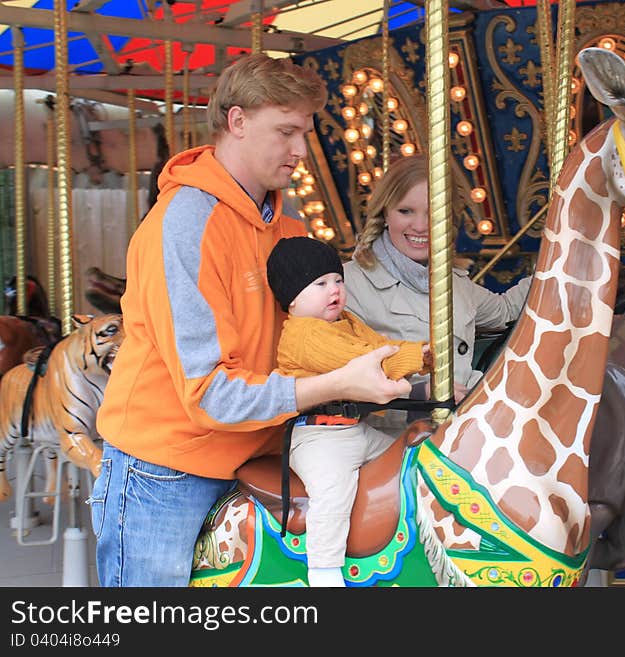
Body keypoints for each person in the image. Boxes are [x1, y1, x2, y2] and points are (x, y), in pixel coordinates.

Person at [91, 53, 412, 587]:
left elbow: (316, 339)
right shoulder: (184, 226)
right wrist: (333, 385)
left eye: (304, 133)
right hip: (167, 467)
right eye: (285, 131)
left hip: (263, 456)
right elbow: (211, 392)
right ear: (236, 122)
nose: (299, 151)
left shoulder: (287, 227)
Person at [266, 236, 431, 586]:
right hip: (317, 437)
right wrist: (420, 357)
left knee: (406, 459)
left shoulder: (348, 321)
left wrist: (421, 352)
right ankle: (324, 571)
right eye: (320, 284)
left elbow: (381, 348)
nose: (334, 290)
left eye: (338, 280)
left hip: (352, 429)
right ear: (292, 298)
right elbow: (365, 363)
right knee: (333, 490)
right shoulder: (305, 335)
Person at [343, 153, 531, 438]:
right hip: (393, 440)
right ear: (385, 213)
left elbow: (505, 310)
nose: (420, 226)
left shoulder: (453, 283)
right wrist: (419, 393)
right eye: (406, 211)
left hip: (463, 429)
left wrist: (558, 263)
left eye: (434, 213)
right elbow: (339, 376)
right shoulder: (350, 284)